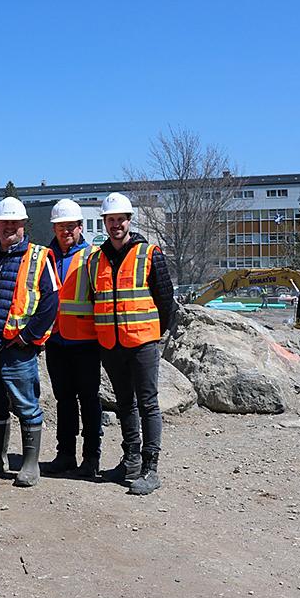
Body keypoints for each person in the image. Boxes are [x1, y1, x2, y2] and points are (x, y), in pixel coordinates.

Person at [71, 192, 175, 495]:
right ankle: (130, 460)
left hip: (142, 342)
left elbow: (166, 302)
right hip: (111, 344)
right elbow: (95, 300)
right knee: (124, 403)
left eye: (120, 219)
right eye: (111, 220)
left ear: (129, 221)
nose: (116, 224)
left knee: (148, 404)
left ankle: (150, 467)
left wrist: (154, 332)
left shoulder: (150, 253)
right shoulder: (94, 261)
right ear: (104, 222)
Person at [0, 196, 59, 488]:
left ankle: (29, 464)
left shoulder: (39, 256)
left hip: (18, 348)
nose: (9, 227)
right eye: (4, 222)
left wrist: (28, 336)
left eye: (14, 222)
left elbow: (51, 301)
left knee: (26, 405)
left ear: (24, 225)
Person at [43, 199, 104, 478]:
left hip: (87, 342)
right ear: (54, 228)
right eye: (60, 227)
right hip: (57, 341)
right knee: (64, 400)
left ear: (80, 227)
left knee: (89, 401)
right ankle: (65, 454)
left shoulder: (93, 257)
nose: (66, 231)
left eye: (71, 226)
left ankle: (91, 457)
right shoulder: (45, 257)